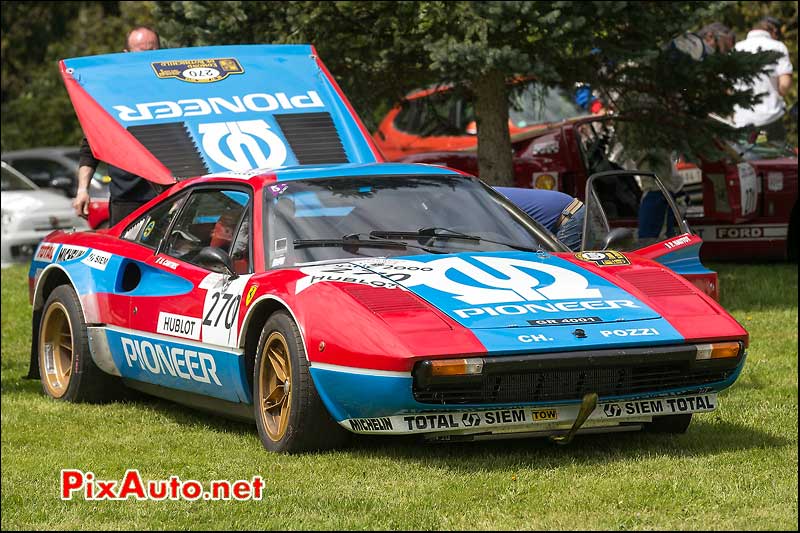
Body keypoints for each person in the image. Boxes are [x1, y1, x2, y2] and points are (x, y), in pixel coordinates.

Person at [72, 26, 162, 226]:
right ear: (126, 55)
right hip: (126, 200)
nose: (147, 58)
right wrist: (82, 190)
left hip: (169, 196)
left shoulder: (172, 90)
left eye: (152, 51)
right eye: (141, 52)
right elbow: (91, 146)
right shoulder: (110, 96)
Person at [731, 17, 793, 143]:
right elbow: (785, 83)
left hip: (742, 117)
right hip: (771, 115)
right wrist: (778, 95)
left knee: (744, 158)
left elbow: (728, 86)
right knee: (775, 157)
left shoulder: (736, 48)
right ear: (774, 31)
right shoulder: (778, 47)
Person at [494, 187, 585, 251]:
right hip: (566, 212)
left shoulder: (486, 200)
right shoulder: (485, 194)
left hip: (569, 215)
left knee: (564, 266)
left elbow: (521, 239)